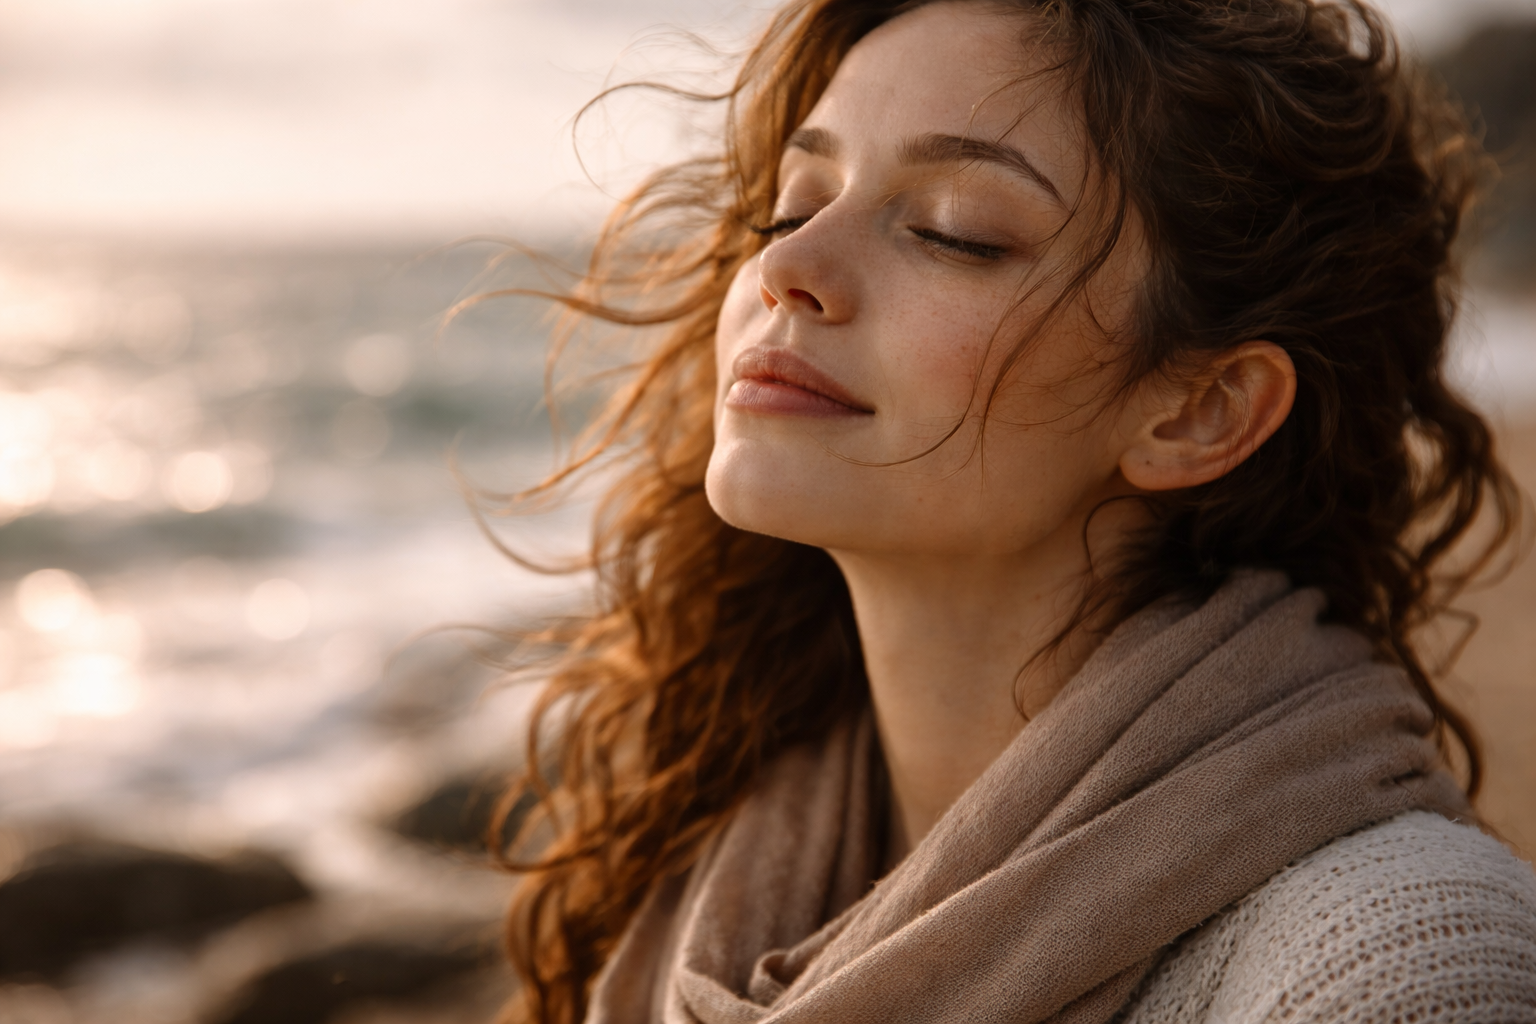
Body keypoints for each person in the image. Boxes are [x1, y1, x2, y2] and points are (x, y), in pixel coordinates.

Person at [488, 1, 1536, 1021]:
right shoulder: (695, 885)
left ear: (1200, 411)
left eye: (955, 232)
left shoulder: (1403, 976)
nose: (783, 268)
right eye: (795, 204)